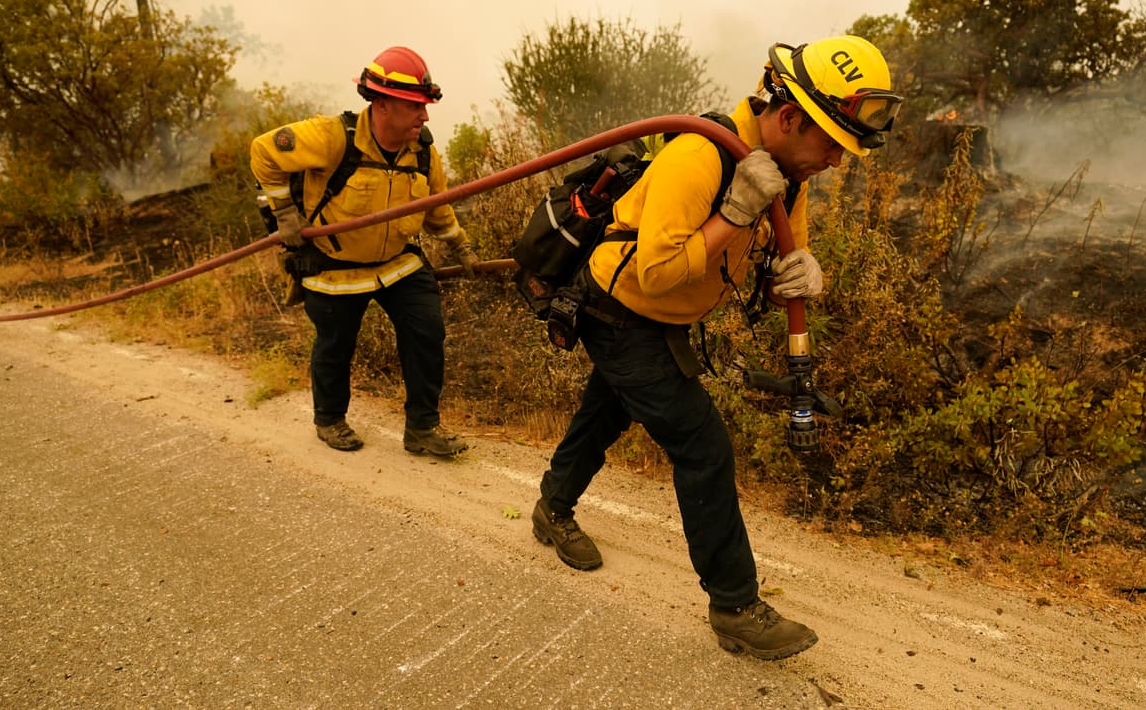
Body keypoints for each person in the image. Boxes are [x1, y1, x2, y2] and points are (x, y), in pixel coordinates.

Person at [530, 35, 902, 659]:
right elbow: (655, 272)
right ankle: (734, 605)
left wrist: (806, 274)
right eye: (834, 146)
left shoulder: (788, 173)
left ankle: (551, 507)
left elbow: (790, 250)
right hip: (617, 310)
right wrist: (734, 211)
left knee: (607, 411)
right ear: (788, 118)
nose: (837, 162)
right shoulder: (699, 158)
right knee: (703, 447)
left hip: (658, 316)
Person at [250, 46, 480, 457]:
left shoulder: (423, 150)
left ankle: (423, 428)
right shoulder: (330, 136)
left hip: (397, 262)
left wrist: (459, 244)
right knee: (336, 345)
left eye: (425, 107)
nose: (425, 117)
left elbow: (435, 205)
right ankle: (330, 420)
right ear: (383, 105)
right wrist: (284, 213)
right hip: (333, 267)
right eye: (415, 107)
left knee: (426, 332)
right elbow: (264, 151)